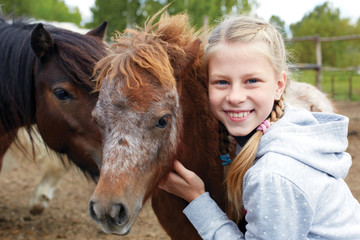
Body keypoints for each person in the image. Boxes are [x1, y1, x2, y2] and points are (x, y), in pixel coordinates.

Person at [159, 14, 360, 239]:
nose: (235, 97)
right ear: (207, 86)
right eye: (222, 82)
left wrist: (197, 200)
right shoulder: (286, 130)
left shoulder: (272, 175)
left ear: (279, 85)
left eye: (251, 81)